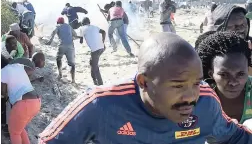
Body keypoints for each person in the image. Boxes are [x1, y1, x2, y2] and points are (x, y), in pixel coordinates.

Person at [38, 33, 252, 144]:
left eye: (196, 83)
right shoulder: (100, 104)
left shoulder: (206, 103)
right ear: (144, 82)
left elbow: (235, 137)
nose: (191, 96)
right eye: (177, 85)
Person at [195, 31, 252, 130]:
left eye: (241, 74)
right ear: (210, 74)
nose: (233, 82)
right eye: (224, 75)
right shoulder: (199, 97)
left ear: (248, 70)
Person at [1, 59, 41, 144]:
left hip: (23, 104)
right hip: (36, 102)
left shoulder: (3, 71)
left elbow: (2, 92)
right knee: (20, 129)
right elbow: (30, 70)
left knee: (14, 133)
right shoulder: (18, 66)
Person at [46, 17, 76, 83]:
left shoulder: (58, 26)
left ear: (58, 22)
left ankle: (60, 74)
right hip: (70, 46)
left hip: (62, 45)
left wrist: (50, 41)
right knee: (72, 64)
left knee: (58, 59)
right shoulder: (68, 26)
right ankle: (73, 80)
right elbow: (75, 35)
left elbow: (54, 32)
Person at [79, 17, 106, 85]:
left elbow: (81, 41)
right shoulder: (95, 27)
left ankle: (100, 84)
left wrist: (79, 37)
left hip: (95, 50)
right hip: (102, 48)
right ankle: (94, 80)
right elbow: (104, 32)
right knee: (92, 63)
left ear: (82, 24)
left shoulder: (82, 28)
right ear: (89, 22)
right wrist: (102, 42)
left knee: (95, 67)